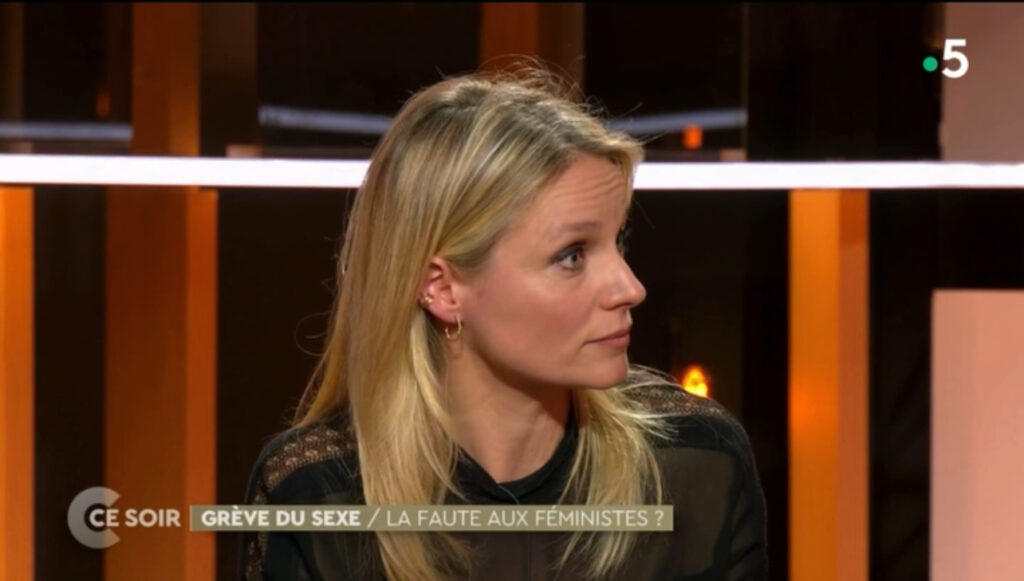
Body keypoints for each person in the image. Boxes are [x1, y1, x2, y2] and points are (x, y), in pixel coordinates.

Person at [240, 65, 768, 581]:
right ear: (443, 289)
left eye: (618, 241)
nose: (630, 288)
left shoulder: (698, 461)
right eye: (572, 255)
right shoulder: (314, 496)